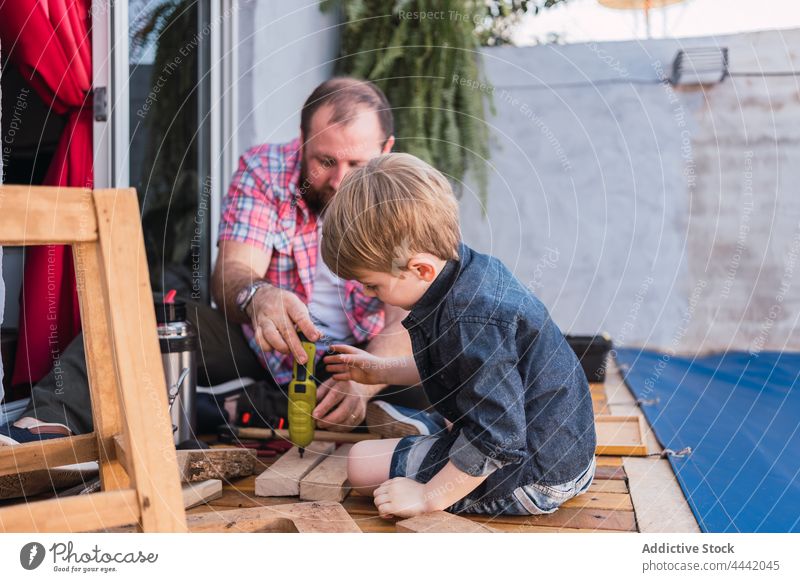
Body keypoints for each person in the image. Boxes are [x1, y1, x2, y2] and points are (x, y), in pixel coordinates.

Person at [0, 77, 428, 447]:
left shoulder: (404, 194)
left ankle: (237, 405)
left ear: (386, 148)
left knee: (449, 367)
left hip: (368, 364)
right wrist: (259, 296)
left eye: (357, 164)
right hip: (264, 353)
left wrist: (366, 376)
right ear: (302, 142)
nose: (339, 181)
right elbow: (233, 275)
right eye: (325, 161)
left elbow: (406, 321)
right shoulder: (266, 170)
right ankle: (44, 427)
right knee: (149, 312)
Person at [319, 153, 597, 518]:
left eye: (373, 286)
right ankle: (433, 434)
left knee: (359, 465)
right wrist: (382, 371)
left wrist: (426, 498)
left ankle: (432, 436)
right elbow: (455, 365)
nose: (369, 295)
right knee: (372, 457)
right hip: (562, 449)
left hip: (535, 474)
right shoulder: (467, 270)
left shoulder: (473, 322)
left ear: (419, 268)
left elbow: (497, 440)